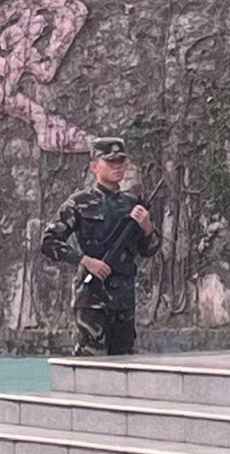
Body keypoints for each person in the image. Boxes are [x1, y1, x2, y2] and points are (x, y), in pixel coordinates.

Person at [40, 135, 160, 357]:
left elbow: (149, 249)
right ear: (95, 166)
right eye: (111, 161)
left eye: (121, 161)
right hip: (92, 297)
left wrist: (147, 227)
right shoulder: (79, 202)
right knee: (90, 363)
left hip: (123, 299)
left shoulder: (132, 204)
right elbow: (49, 241)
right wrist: (85, 261)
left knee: (124, 364)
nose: (118, 166)